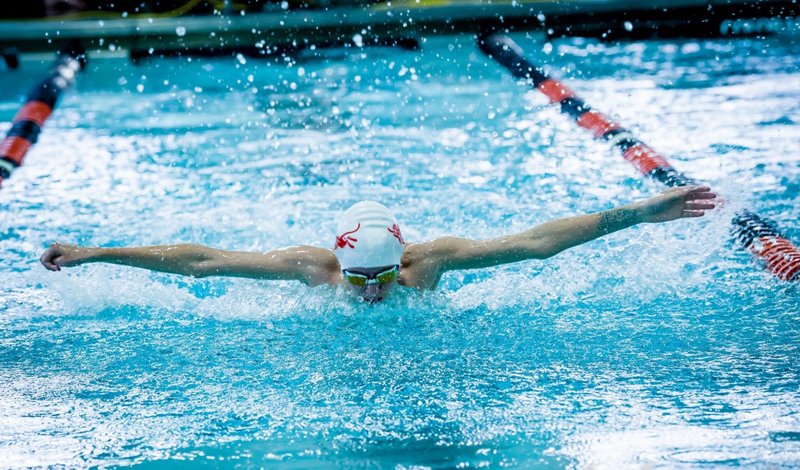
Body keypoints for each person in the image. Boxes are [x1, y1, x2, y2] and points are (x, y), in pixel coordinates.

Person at [40, 186, 716, 303]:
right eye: (359, 280)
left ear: (404, 260)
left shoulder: (430, 263)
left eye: (380, 280)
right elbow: (202, 263)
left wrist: (639, 213)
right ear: (339, 263)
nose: (369, 293)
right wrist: (93, 252)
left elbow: (537, 244)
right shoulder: (314, 269)